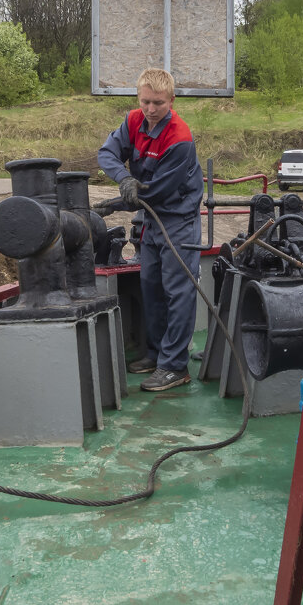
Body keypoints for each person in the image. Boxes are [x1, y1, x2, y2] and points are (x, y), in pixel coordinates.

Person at [97, 69, 203, 392]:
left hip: (178, 219)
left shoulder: (180, 139)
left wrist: (117, 203)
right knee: (150, 286)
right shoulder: (132, 122)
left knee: (178, 291)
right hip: (151, 220)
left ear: (171, 101)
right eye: (145, 101)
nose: (150, 109)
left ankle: (175, 366)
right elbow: (107, 154)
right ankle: (157, 355)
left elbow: (157, 192)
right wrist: (124, 178)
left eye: (157, 102)